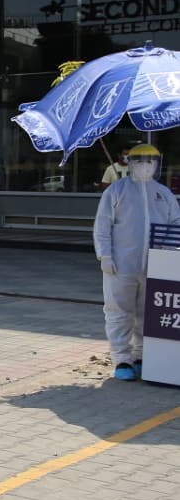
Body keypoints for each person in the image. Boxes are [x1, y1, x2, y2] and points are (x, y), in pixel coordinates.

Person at [93, 143, 180, 381]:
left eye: (150, 161)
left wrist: (168, 252)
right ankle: (122, 358)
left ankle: (141, 355)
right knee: (119, 311)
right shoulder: (116, 191)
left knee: (147, 313)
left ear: (157, 164)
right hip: (121, 264)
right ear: (130, 163)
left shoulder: (163, 193)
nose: (145, 166)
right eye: (140, 161)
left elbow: (176, 223)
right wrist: (105, 255)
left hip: (155, 264)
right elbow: (102, 225)